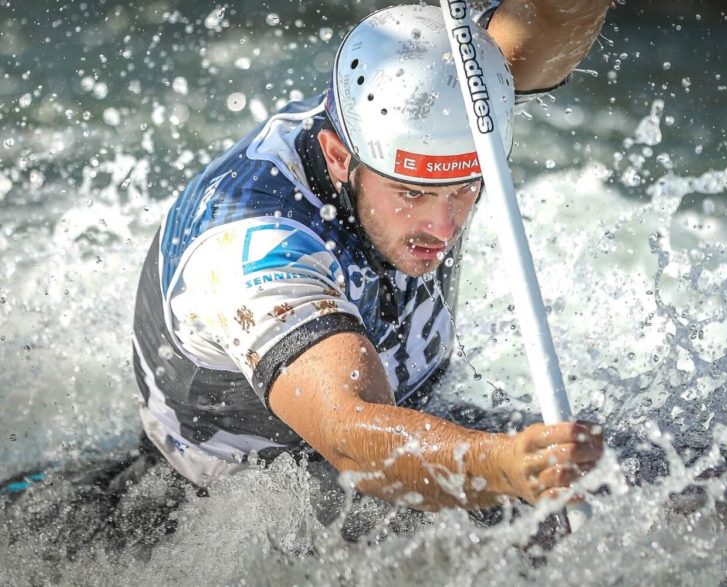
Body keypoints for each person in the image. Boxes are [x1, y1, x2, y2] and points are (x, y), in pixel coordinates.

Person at [132, 0, 612, 511]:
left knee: (650, 478)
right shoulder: (253, 249)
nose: (443, 226)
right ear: (340, 158)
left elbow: (551, 21)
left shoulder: (442, 118)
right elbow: (350, 436)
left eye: (464, 189)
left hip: (412, 433)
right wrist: (506, 468)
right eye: (412, 193)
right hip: (247, 501)